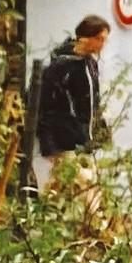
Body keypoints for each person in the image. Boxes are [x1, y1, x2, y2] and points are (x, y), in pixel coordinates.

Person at [26, 14, 106, 178]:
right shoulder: (61, 67)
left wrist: (100, 132)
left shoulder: (91, 64)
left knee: (86, 195)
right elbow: (44, 105)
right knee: (80, 191)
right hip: (65, 144)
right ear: (84, 38)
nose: (102, 45)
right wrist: (49, 145)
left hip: (84, 143)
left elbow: (93, 102)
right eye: (99, 39)